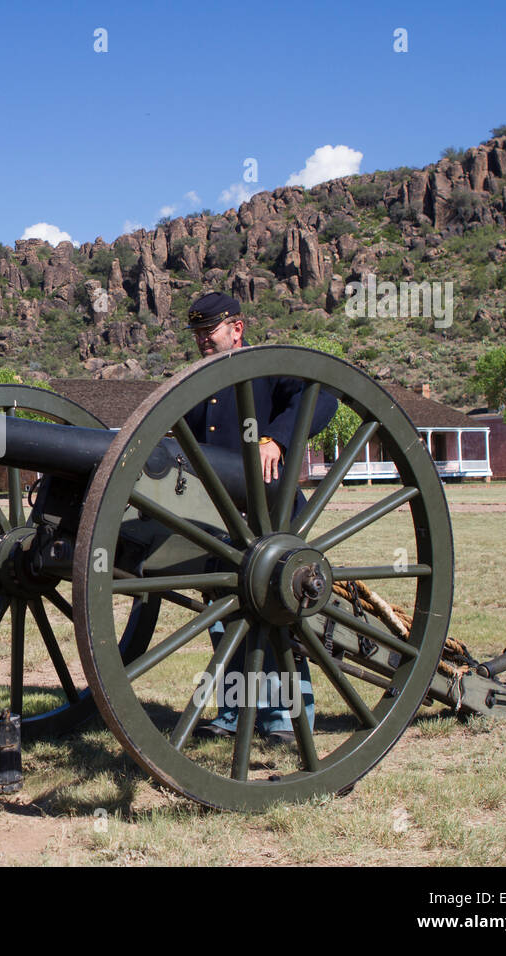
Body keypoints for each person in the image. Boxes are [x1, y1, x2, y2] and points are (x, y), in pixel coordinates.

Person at [182, 292, 338, 744]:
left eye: (207, 332)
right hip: (219, 522)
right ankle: (234, 714)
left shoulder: (268, 369)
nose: (201, 341)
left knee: (283, 615)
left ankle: (287, 719)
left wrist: (279, 439)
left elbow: (322, 399)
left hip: (271, 519)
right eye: (195, 334)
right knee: (223, 618)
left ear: (237, 328)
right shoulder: (196, 384)